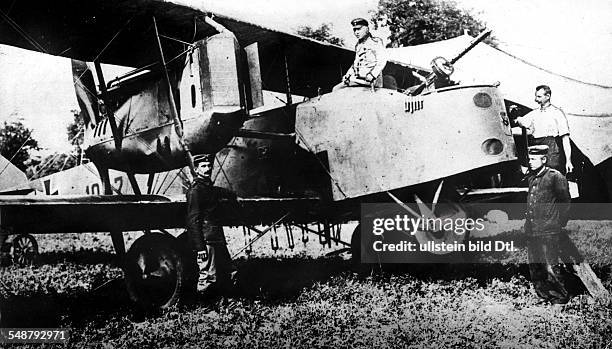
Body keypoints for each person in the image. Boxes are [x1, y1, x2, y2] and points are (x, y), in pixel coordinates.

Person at [524, 145, 582, 305]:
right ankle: (544, 296)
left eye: (534, 159)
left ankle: (560, 299)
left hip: (549, 229)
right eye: (529, 159)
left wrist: (558, 223)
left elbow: (565, 202)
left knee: (551, 266)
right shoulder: (532, 177)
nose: (530, 162)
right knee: (536, 267)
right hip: (532, 230)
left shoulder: (555, 176)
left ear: (544, 159)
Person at [186, 154, 238, 295]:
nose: (208, 168)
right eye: (203, 166)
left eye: (209, 165)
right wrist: (200, 248)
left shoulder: (207, 188)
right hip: (207, 240)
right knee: (208, 277)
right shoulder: (196, 191)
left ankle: (227, 303)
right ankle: (205, 309)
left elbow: (219, 192)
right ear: (196, 169)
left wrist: (233, 195)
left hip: (216, 238)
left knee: (229, 271)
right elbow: (193, 221)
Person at [513, 85, 573, 174]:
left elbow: (565, 139)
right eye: (536, 96)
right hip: (536, 150)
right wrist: (517, 118)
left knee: (551, 177)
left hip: (551, 151)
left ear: (548, 96)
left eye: (539, 97)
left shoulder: (557, 113)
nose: (536, 99)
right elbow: (522, 123)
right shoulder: (534, 113)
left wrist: (568, 161)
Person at [334, 18, 387, 90]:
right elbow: (356, 63)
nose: (356, 32)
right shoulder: (358, 45)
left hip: (372, 80)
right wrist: (348, 74)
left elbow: (382, 60)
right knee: (337, 89)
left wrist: (373, 75)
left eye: (359, 29)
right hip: (359, 79)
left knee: (338, 89)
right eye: (354, 30)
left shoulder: (376, 42)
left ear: (367, 29)